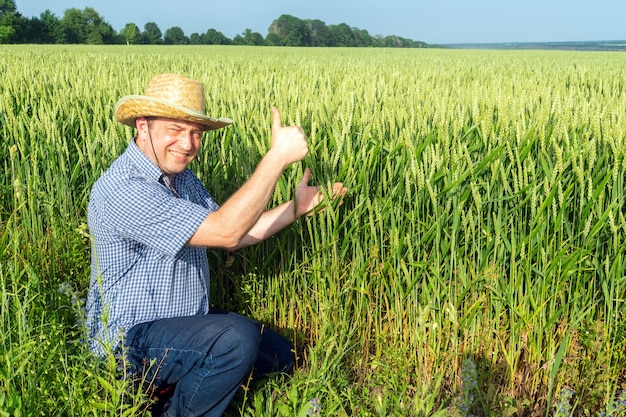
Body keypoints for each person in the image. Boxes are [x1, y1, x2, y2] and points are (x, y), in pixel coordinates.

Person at [85, 73, 347, 417]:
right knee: (235, 341)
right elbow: (226, 231)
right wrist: (276, 159)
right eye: (175, 130)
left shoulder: (183, 180)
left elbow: (235, 236)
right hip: (129, 341)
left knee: (277, 353)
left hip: (182, 326)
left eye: (195, 132)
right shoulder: (124, 188)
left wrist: (295, 208)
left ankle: (175, 389)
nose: (188, 143)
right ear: (142, 125)